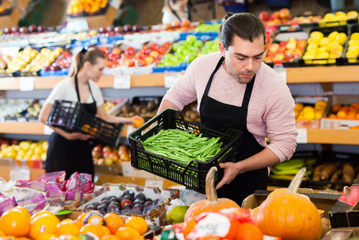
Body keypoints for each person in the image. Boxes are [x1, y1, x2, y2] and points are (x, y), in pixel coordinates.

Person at [158, 12, 297, 205]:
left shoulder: (273, 87)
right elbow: (174, 98)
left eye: (257, 57)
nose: (250, 66)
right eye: (241, 57)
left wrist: (239, 167)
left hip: (248, 186)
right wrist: (162, 138)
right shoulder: (202, 67)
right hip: (201, 177)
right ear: (222, 49)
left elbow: (285, 144)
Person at [39, 48, 143, 179]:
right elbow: (43, 117)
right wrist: (68, 135)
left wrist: (129, 120)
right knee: (60, 193)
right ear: (87, 65)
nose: (102, 73)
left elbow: (104, 116)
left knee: (84, 191)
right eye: (100, 69)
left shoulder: (94, 88)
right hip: (61, 149)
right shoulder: (64, 86)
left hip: (83, 149)